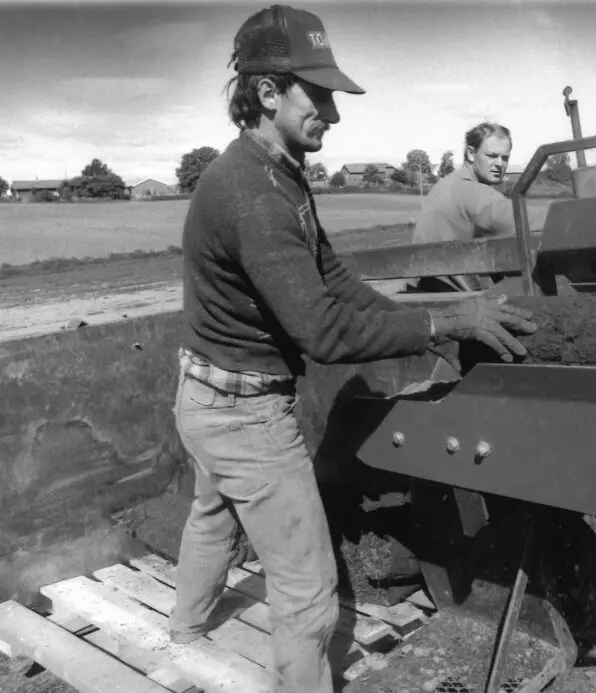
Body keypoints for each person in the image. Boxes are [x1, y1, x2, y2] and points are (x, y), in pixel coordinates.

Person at [168, 5, 536, 693]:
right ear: (268, 92)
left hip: (205, 396)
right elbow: (323, 330)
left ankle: (185, 632)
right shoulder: (253, 193)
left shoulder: (277, 171)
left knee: (213, 513)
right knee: (308, 590)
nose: (333, 114)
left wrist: (437, 320)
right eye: (319, 95)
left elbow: (333, 277)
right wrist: (442, 325)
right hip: (244, 416)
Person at [411, 122, 517, 291]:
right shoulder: (472, 191)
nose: (500, 164)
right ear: (471, 153)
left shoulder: (448, 183)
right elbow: (523, 223)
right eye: (492, 156)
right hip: (453, 295)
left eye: (505, 158)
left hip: (425, 286)